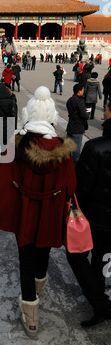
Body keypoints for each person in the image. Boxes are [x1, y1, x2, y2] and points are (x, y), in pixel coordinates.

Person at [0, 86, 77, 338]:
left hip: (24, 213)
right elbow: (71, 187)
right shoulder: (63, 151)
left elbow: (0, 181)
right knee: (43, 252)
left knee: (25, 259)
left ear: (28, 114)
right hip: (49, 213)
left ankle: (31, 319)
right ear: (51, 116)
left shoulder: (14, 146)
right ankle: (38, 291)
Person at [66, 99, 111, 327]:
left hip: (94, 216)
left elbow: (81, 187)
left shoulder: (95, 147)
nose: (103, 113)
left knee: (75, 255)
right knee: (102, 256)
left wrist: (73, 212)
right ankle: (100, 297)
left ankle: (100, 302)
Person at [66, 83, 89, 166]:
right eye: (83, 90)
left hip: (70, 127)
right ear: (79, 91)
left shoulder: (70, 100)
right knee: (76, 152)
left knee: (67, 150)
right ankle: (75, 170)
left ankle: (67, 167)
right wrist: (87, 114)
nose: (83, 91)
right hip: (78, 129)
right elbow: (84, 115)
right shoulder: (80, 101)